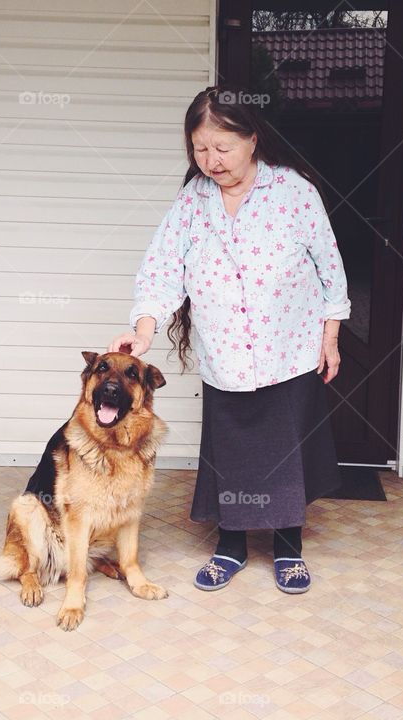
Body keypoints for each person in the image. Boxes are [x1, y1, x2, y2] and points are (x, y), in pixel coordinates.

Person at [108, 86, 350, 594]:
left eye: (222, 148)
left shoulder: (294, 191)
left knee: (287, 451)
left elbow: (331, 270)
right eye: (199, 148)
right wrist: (143, 328)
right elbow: (161, 270)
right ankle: (232, 546)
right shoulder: (192, 201)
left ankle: (288, 547)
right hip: (226, 352)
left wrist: (330, 337)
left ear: (253, 140)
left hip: (290, 349)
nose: (210, 160)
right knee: (234, 451)